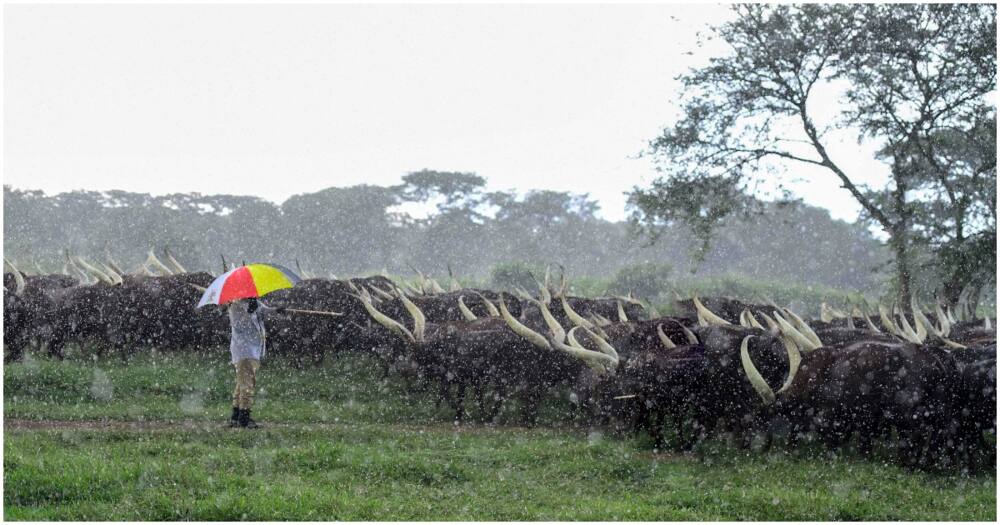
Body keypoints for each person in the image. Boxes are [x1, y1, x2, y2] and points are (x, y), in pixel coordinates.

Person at [227, 297, 285, 428]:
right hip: (245, 349)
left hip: (253, 349)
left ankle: (236, 415)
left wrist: (276, 310)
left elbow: (264, 310)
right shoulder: (235, 306)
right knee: (247, 384)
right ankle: (244, 418)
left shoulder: (252, 302)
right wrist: (250, 311)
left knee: (241, 383)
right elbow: (240, 325)